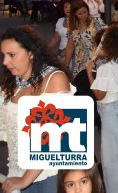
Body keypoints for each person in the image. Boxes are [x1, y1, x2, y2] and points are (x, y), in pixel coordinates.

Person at [0, 26, 74, 192]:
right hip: (16, 173)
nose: (5, 62)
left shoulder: (54, 80)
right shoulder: (11, 84)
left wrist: (25, 179)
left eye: (12, 55)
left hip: (49, 175)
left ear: (31, 53)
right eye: (3, 56)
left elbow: (55, 138)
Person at [87, 25, 118, 193]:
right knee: (116, 158)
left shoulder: (106, 67)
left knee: (111, 162)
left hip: (109, 111)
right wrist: (114, 88)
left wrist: (89, 72)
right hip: (117, 108)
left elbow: (99, 95)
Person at [64, 0, 106, 76]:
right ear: (74, 14)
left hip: (96, 65)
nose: (83, 15)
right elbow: (70, 47)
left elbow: (108, 37)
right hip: (79, 66)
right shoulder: (72, 26)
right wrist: (66, 66)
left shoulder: (96, 21)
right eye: (80, 13)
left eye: (85, 12)